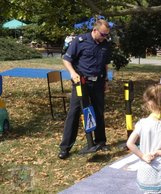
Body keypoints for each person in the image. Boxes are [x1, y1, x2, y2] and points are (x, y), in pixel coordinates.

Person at [58, 19, 111, 159]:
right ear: (95, 30)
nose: (105, 37)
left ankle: (100, 141)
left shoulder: (105, 44)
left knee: (99, 111)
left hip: (98, 82)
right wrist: (72, 73)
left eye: (107, 35)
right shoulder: (80, 41)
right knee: (74, 113)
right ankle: (65, 148)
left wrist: (106, 80)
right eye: (103, 34)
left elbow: (105, 64)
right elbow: (66, 59)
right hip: (81, 82)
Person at [126, 84, 161, 194]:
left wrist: (143, 155)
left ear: (149, 103)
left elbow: (130, 143)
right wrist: (159, 152)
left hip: (146, 166)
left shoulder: (142, 124)